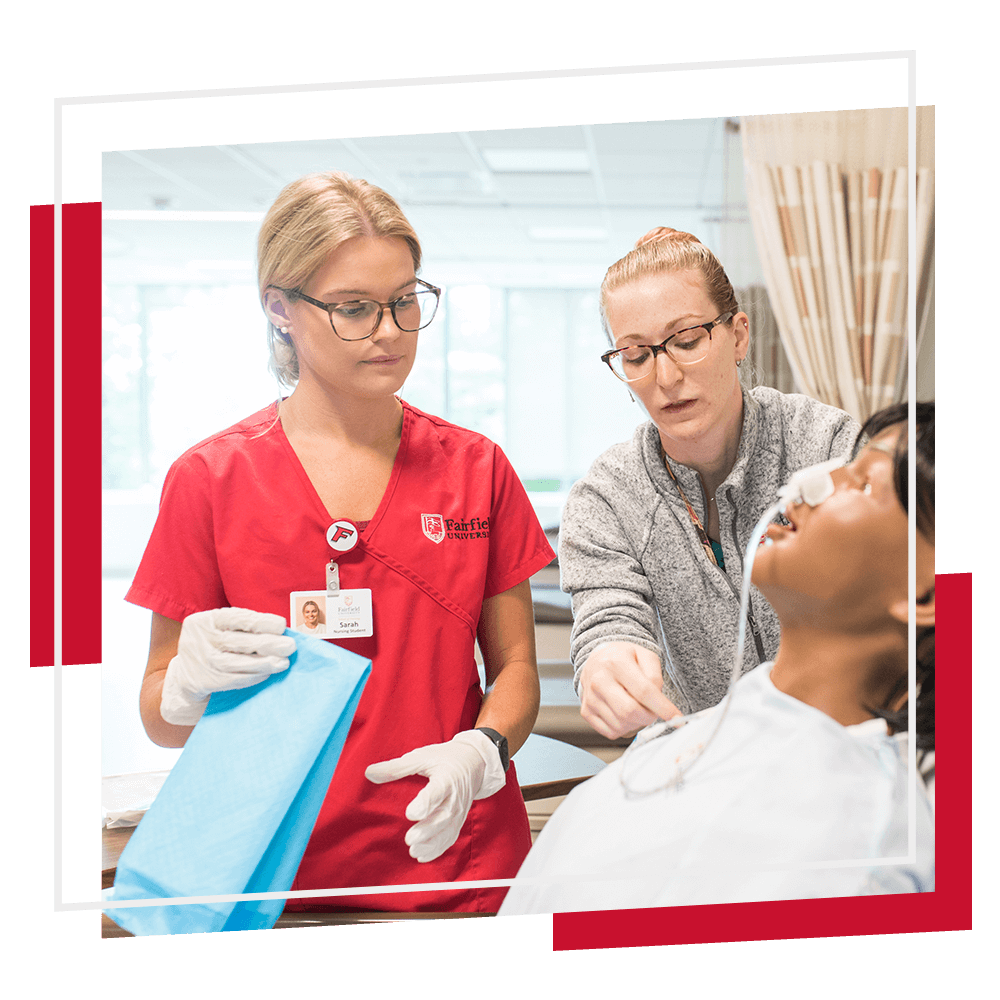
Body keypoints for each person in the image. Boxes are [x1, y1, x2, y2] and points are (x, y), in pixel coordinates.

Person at [128, 171, 555, 913]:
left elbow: (516, 666)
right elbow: (160, 718)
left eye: (404, 300)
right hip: (276, 878)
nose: (390, 331)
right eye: (354, 309)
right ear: (280, 309)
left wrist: (481, 751)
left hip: (456, 864)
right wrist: (188, 685)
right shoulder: (209, 478)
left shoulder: (476, 468)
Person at [499, 401, 936, 915]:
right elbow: (607, 612)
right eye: (635, 354)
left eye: (863, 483)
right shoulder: (677, 747)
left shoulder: (870, 841)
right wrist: (607, 650)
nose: (809, 486)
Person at [563, 228, 862, 740]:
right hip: (713, 768)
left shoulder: (826, 445)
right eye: (635, 355)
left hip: (854, 748)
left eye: (686, 341)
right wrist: (607, 661)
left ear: (738, 335)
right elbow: (606, 619)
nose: (666, 376)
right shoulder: (608, 499)